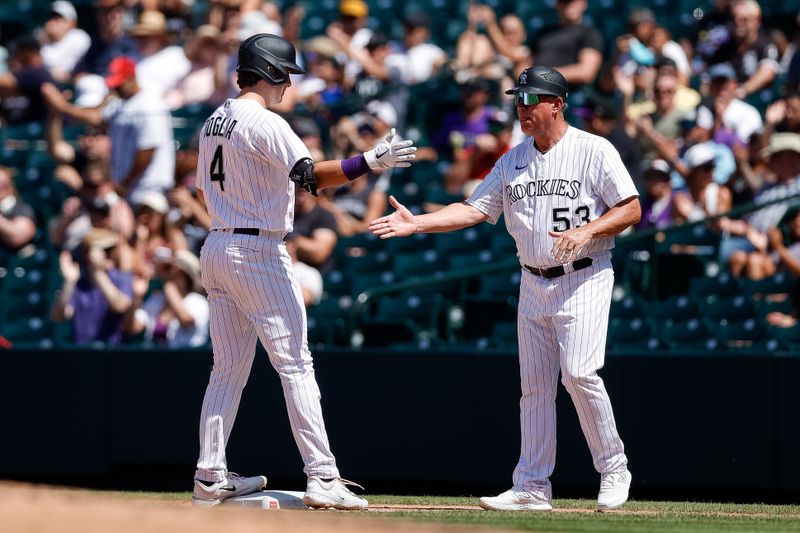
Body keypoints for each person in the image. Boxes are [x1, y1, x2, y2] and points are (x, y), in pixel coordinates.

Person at [369, 66, 638, 511]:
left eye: (532, 100)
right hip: (533, 279)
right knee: (533, 387)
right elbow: (475, 209)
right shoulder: (512, 159)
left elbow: (630, 209)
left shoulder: (594, 150)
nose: (523, 108)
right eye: (519, 99)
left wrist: (588, 230)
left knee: (579, 373)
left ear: (557, 103)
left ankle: (614, 467)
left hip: (585, 274)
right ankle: (532, 486)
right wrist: (418, 223)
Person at [191, 33, 416, 508]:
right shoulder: (265, 121)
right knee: (295, 364)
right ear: (270, 72)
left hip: (217, 243)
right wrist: (369, 161)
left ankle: (209, 475)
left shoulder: (213, 120)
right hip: (257, 250)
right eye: (286, 75)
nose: (288, 85)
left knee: (227, 370)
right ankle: (323, 476)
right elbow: (311, 177)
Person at [41, 57, 175, 206]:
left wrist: (125, 182)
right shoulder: (120, 104)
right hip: (130, 186)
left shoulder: (150, 104)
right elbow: (96, 117)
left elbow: (147, 151)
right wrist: (63, 108)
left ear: (131, 78)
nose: (116, 88)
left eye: (120, 83)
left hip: (149, 186)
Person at [125, 249, 209, 347]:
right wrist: (137, 297)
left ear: (186, 277)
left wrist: (168, 285)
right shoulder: (156, 300)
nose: (170, 274)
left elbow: (186, 320)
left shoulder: (197, 301)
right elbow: (132, 327)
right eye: (168, 270)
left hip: (188, 360)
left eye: (175, 271)